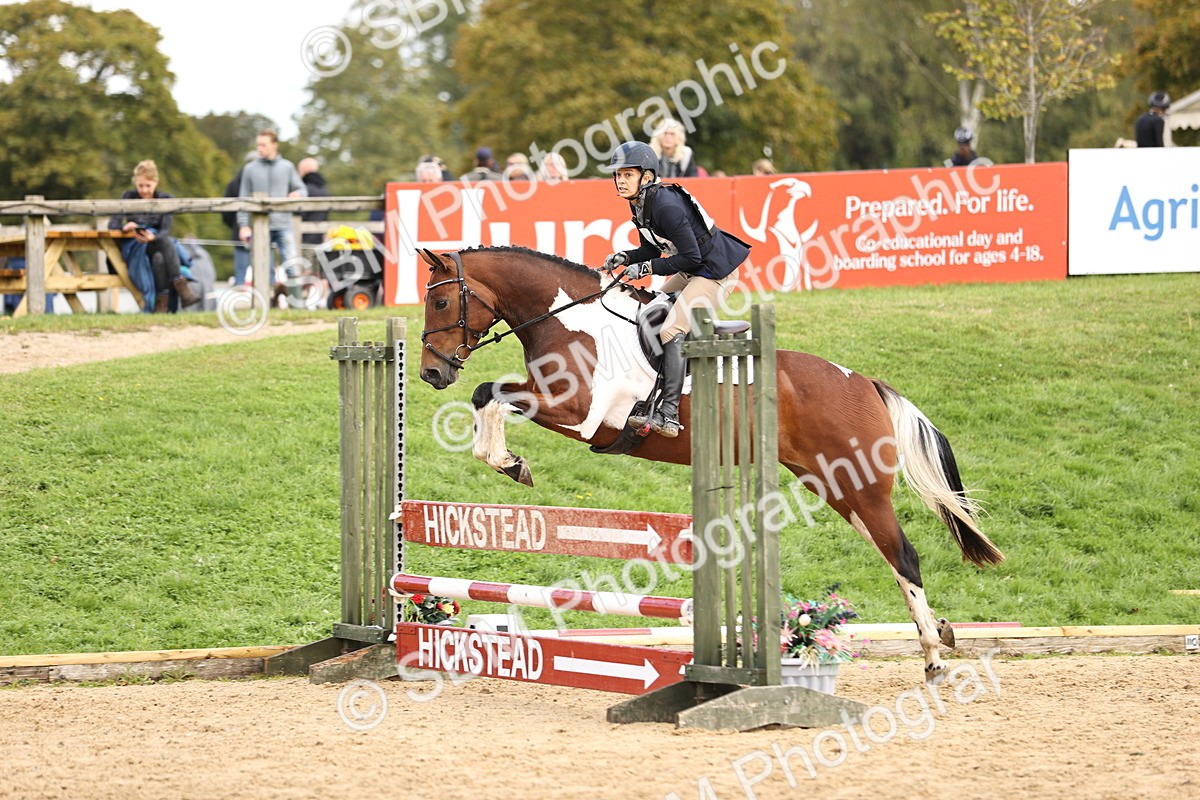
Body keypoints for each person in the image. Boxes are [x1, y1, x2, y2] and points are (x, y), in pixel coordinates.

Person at [599, 141, 750, 438]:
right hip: (692, 269)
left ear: (646, 177)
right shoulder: (640, 203)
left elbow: (692, 257)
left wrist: (646, 269)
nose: (620, 181)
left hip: (715, 272)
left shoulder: (666, 205)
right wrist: (627, 257)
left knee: (670, 329)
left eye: (627, 175)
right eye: (617, 175)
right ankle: (649, 395)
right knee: (649, 312)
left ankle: (669, 412)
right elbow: (650, 248)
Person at [108, 160, 200, 312]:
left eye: (147, 186)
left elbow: (165, 229)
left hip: (156, 243)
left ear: (156, 182)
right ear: (135, 183)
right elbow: (112, 224)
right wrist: (125, 228)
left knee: (159, 256)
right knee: (165, 243)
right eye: (140, 186)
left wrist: (153, 238)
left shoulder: (165, 199)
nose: (144, 190)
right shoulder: (128, 197)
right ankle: (183, 291)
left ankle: (162, 304)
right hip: (136, 245)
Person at [236, 129, 307, 285]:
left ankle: (296, 305)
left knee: (292, 266)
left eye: (264, 145)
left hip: (284, 224)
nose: (260, 149)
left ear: (275, 145)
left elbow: (302, 189)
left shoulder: (287, 167)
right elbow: (243, 199)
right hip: (260, 226)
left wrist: (299, 194)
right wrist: (243, 226)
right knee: (263, 268)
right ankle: (268, 305)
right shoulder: (250, 169)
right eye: (258, 145)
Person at [298, 157, 330, 246]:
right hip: (320, 237)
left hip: (302, 237)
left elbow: (300, 215)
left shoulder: (303, 190)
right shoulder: (324, 190)